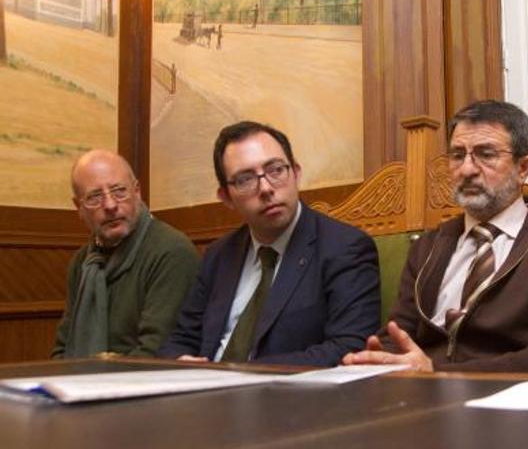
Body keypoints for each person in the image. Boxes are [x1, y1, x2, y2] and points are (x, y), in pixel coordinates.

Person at [343, 100, 528, 373]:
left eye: (486, 154)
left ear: (523, 168)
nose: (466, 170)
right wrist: (375, 362)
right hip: (418, 396)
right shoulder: (429, 245)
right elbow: (398, 336)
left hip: (507, 401)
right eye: (457, 155)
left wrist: (439, 374)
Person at [160, 121, 380, 365]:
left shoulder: (345, 248)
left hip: (288, 397)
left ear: (295, 173)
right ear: (226, 198)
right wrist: (181, 361)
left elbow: (347, 348)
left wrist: (238, 375)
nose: (265, 188)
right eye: (245, 180)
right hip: (203, 393)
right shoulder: (218, 255)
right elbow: (181, 338)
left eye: (275, 170)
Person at [52, 150, 199, 358]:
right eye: (95, 197)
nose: (110, 205)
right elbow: (62, 349)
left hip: (140, 384)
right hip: (83, 384)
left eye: (119, 191)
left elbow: (156, 352)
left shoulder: (171, 251)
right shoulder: (83, 262)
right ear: (79, 207)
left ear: (137, 192)